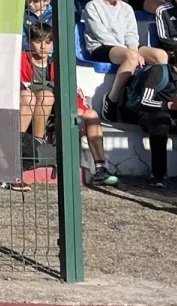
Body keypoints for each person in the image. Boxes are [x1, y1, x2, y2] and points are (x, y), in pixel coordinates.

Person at [20, 23, 119, 186]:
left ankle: (100, 168)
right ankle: (38, 143)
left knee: (91, 114)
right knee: (46, 95)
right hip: (33, 107)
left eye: (48, 42)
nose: (43, 46)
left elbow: (71, 90)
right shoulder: (22, 60)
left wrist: (80, 108)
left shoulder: (58, 63)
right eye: (38, 41)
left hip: (58, 108)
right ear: (30, 42)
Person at [119, 42, 177, 188]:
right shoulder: (159, 72)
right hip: (152, 116)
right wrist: (169, 105)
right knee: (161, 119)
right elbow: (145, 101)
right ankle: (158, 174)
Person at [86, 0, 169, 122]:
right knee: (130, 57)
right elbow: (101, 34)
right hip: (102, 46)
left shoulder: (126, 8)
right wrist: (131, 53)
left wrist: (133, 49)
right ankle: (112, 100)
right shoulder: (93, 6)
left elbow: (131, 33)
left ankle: (151, 97)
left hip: (126, 46)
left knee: (160, 55)